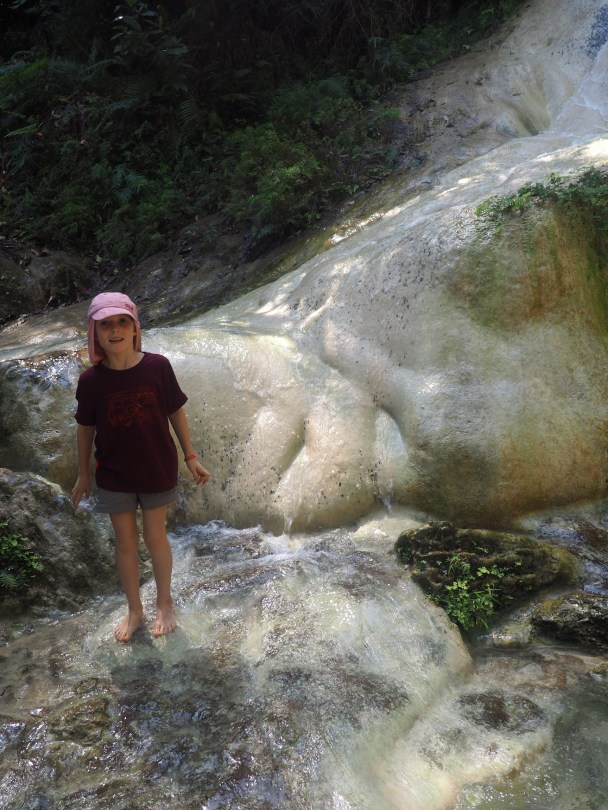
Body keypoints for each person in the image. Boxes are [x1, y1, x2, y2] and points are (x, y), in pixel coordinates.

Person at [71, 292, 210, 642]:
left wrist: (191, 456)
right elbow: (85, 428)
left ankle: (164, 602)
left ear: (135, 328)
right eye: (105, 324)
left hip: (156, 466)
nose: (115, 330)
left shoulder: (157, 367)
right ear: (94, 332)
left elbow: (175, 411)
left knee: (154, 535)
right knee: (125, 541)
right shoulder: (91, 381)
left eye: (122, 322)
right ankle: (135, 609)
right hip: (114, 473)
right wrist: (84, 474)